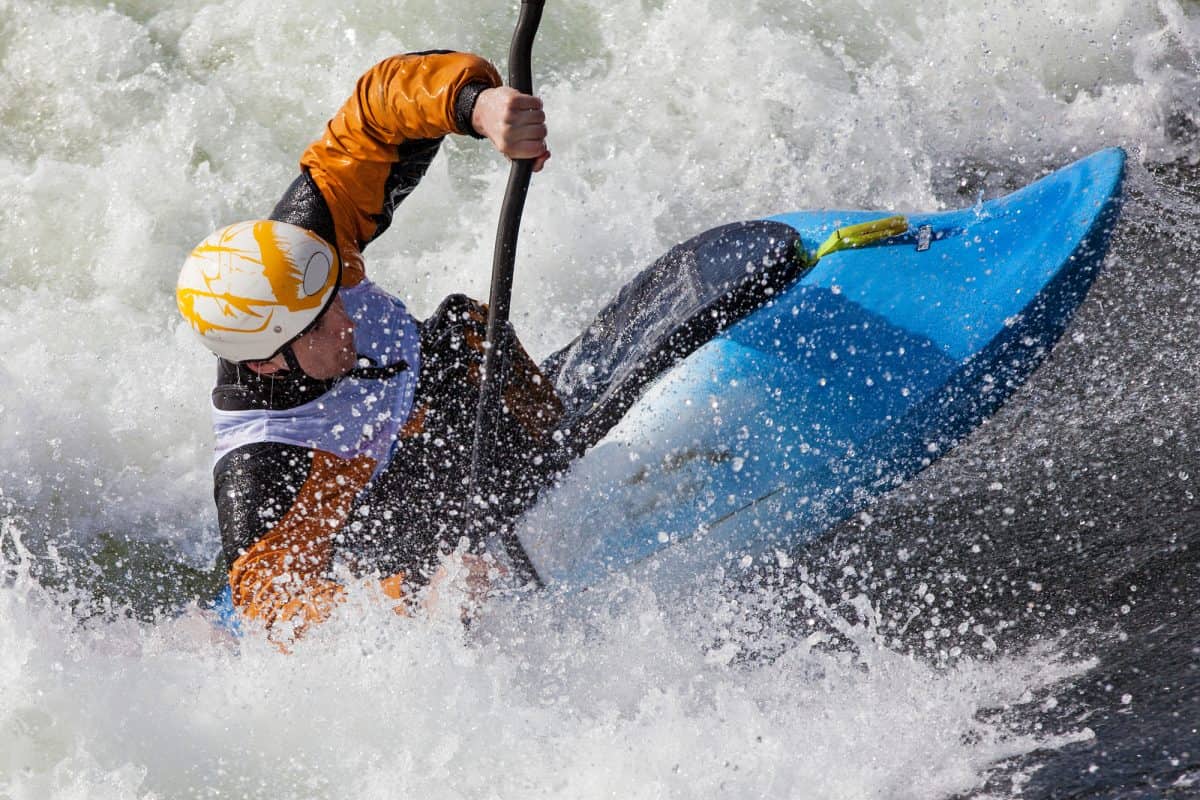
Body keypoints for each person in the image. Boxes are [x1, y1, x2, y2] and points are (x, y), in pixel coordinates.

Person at [176, 51, 564, 643]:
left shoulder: (307, 245)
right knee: (393, 516)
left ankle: (559, 450)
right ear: (267, 361)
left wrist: (475, 107)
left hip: (446, 406)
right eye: (319, 321)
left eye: (336, 294)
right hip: (393, 523)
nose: (345, 321)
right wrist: (416, 598)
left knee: (467, 329)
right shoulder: (264, 460)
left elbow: (378, 107)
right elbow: (273, 606)